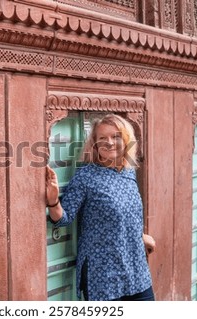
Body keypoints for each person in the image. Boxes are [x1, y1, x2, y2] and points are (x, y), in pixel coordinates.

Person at [46, 113, 156, 301]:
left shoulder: (129, 172)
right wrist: (53, 200)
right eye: (102, 138)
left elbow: (126, 215)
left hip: (136, 271)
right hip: (102, 276)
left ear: (126, 139)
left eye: (116, 136)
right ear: (94, 144)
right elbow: (63, 218)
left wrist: (139, 236)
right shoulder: (86, 177)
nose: (110, 143)